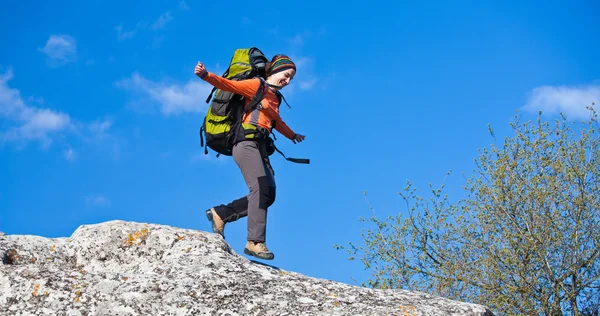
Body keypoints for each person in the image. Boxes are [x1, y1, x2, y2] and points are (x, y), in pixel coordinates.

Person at [194, 54, 305, 260]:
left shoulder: (274, 97)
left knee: (268, 193)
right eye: (286, 75)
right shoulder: (256, 85)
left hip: (260, 147)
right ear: (275, 70)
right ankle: (255, 241)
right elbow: (227, 85)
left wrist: (292, 135)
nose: (287, 81)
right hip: (245, 143)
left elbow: (275, 119)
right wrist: (205, 75)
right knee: (259, 187)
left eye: (291, 79)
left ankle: (221, 214)